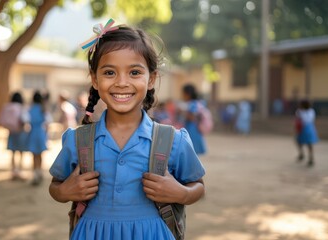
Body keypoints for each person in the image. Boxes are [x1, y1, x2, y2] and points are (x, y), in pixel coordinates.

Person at [49, 20, 205, 240]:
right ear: (94, 79)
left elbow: (197, 185)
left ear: (151, 79)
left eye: (134, 72)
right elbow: (55, 186)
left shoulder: (172, 140)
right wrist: (64, 191)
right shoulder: (78, 140)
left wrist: (182, 193)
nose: (122, 82)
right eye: (109, 73)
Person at [24, 91, 52, 186]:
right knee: (40, 155)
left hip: (32, 133)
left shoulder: (30, 109)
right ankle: (40, 172)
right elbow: (48, 122)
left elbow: (25, 120)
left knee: (33, 155)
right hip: (41, 133)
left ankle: (35, 174)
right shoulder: (43, 109)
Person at [0, 92, 28, 180]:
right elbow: (25, 119)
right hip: (20, 132)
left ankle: (13, 171)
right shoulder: (21, 107)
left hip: (11, 132)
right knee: (21, 152)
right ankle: (19, 170)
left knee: (13, 152)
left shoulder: (7, 106)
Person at [181, 83, 207, 155]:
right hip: (195, 128)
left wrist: (182, 113)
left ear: (187, 94)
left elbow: (192, 117)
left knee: (192, 149)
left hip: (193, 129)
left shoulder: (193, 103)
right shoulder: (199, 102)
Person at [295, 99, 319, 167]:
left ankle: (302, 154)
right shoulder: (311, 111)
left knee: (300, 142)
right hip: (310, 127)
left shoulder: (299, 111)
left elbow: (299, 119)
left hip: (304, 128)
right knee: (309, 144)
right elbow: (312, 119)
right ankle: (310, 157)